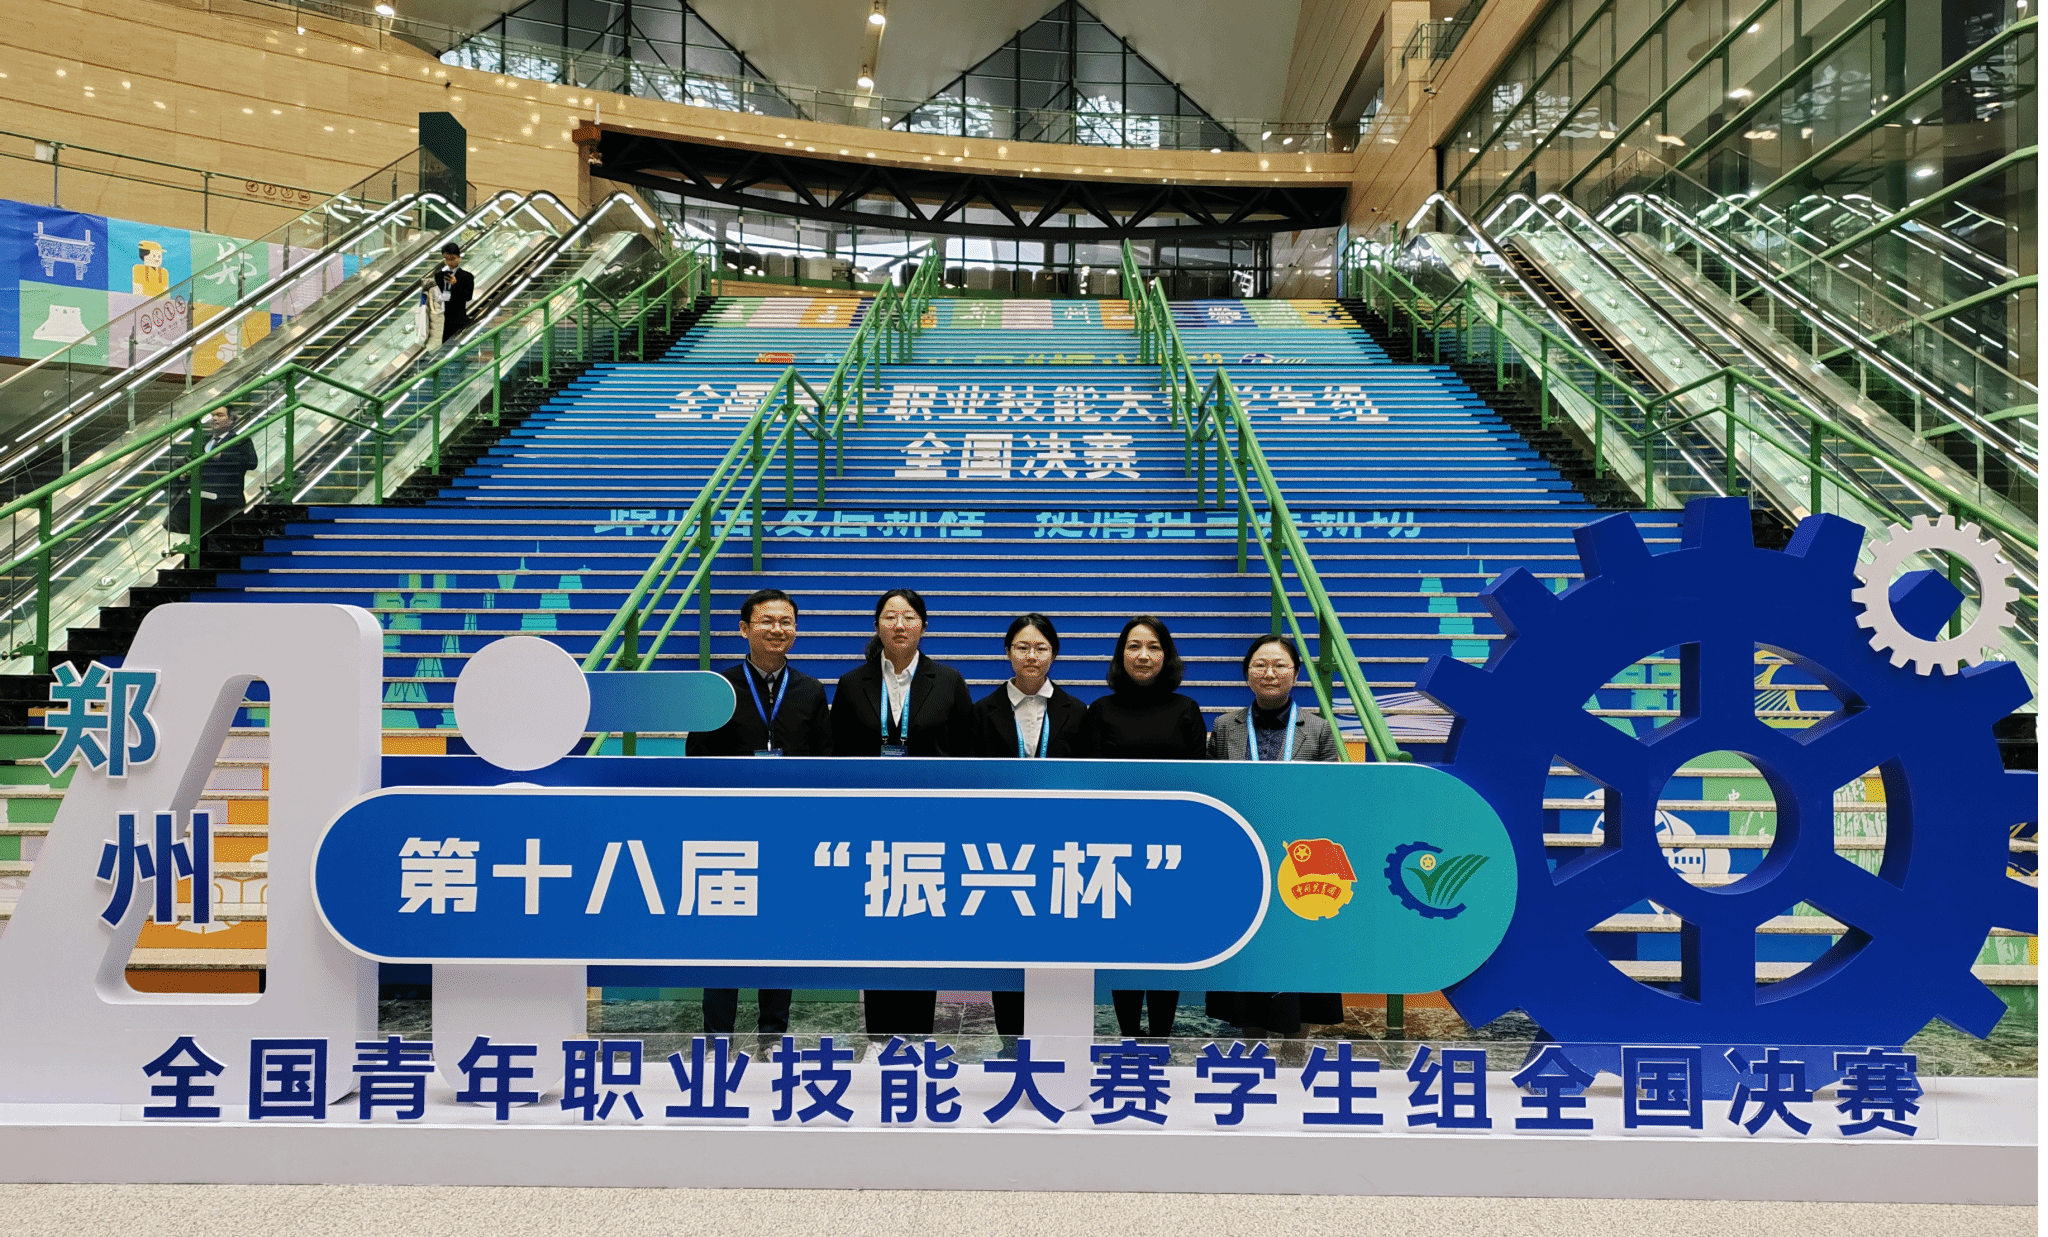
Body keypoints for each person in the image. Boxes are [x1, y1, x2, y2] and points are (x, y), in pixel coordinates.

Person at [686, 587, 832, 1039]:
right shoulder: (719, 689)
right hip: (728, 834)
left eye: (786, 621)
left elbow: (824, 764)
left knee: (779, 934)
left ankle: (772, 1035)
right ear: (744, 629)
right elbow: (697, 759)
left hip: (789, 834)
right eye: (767, 621)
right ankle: (717, 1038)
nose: (777, 629)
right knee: (722, 936)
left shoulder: (810, 691)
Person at [830, 587, 976, 1035]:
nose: (899, 625)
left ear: (923, 626)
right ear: (877, 625)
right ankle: (879, 1035)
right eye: (890, 616)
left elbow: (967, 755)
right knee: (876, 928)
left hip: (931, 827)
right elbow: (838, 757)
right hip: (870, 827)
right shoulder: (852, 683)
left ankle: (917, 1033)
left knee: (922, 927)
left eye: (909, 617)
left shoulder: (948, 681)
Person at [1204, 634, 1344, 1039]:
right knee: (1247, 944)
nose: (1270, 673)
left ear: (1295, 674)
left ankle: (1296, 1038)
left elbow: (1333, 795)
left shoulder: (1319, 729)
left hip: (1299, 858)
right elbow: (1212, 787)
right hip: (1241, 853)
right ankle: (1249, 1035)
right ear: (1247, 673)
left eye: (1280, 665)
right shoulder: (1224, 727)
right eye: (1260, 665)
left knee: (1296, 946)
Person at [1081, 614, 1208, 1038]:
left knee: (1165, 943)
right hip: (1115, 848)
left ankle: (1161, 1038)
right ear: (1121, 654)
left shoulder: (1186, 709)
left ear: (1166, 656)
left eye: (1154, 647)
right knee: (1126, 945)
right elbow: (1090, 782)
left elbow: (1198, 782)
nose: (1143, 655)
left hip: (1171, 848)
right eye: (1134, 646)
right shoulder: (1100, 710)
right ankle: (1129, 1036)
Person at [970, 612, 1086, 1039]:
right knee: (1008, 945)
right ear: (1008, 653)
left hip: (1062, 850)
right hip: (1002, 851)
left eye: (1040, 648)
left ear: (1053, 654)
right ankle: (1010, 1041)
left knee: (1060, 942)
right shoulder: (982, 711)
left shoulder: (1078, 712)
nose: (1031, 656)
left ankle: (1061, 1038)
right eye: (1022, 647)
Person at [164, 407, 257, 540]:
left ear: (231, 419)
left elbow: (251, 463)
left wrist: (221, 456)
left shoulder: (241, 441)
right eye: (213, 415)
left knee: (224, 544)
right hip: (201, 503)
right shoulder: (204, 441)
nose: (215, 418)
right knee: (202, 543)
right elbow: (188, 461)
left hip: (226, 506)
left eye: (220, 415)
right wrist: (184, 473)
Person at [426, 242, 474, 345]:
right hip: (443, 321)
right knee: (444, 348)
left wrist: (455, 284)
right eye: (446, 259)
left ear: (458, 257)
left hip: (459, 320)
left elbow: (468, 296)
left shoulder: (467, 276)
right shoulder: (439, 276)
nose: (449, 262)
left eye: (452, 258)